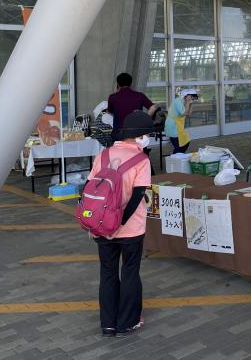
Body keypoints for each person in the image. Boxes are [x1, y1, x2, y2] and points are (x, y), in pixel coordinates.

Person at [88, 110, 153, 336]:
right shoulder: (142, 160)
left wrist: (105, 223)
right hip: (131, 228)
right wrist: (121, 222)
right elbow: (137, 196)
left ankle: (108, 323)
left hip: (101, 226)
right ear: (140, 136)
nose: (149, 139)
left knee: (107, 273)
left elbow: (88, 189)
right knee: (130, 272)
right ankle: (127, 322)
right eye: (148, 135)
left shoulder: (104, 155)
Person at [164, 89, 197, 153]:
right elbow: (183, 113)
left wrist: (191, 104)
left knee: (186, 142)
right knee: (178, 147)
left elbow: (189, 114)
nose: (192, 98)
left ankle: (178, 157)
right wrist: (188, 103)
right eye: (192, 96)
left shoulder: (184, 101)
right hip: (173, 126)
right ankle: (176, 158)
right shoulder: (178, 101)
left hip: (179, 126)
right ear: (186, 96)